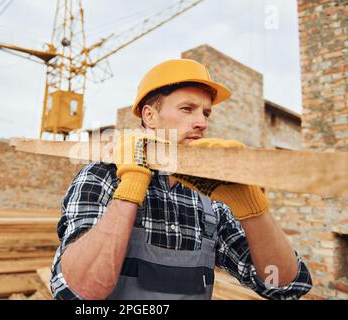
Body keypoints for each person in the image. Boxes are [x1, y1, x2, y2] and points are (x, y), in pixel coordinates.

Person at [50, 59, 312, 300]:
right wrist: (131, 183)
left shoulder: (210, 194)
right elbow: (77, 292)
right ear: (149, 116)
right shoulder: (102, 176)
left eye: (206, 113)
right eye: (187, 109)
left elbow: (285, 287)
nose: (201, 123)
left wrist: (252, 208)